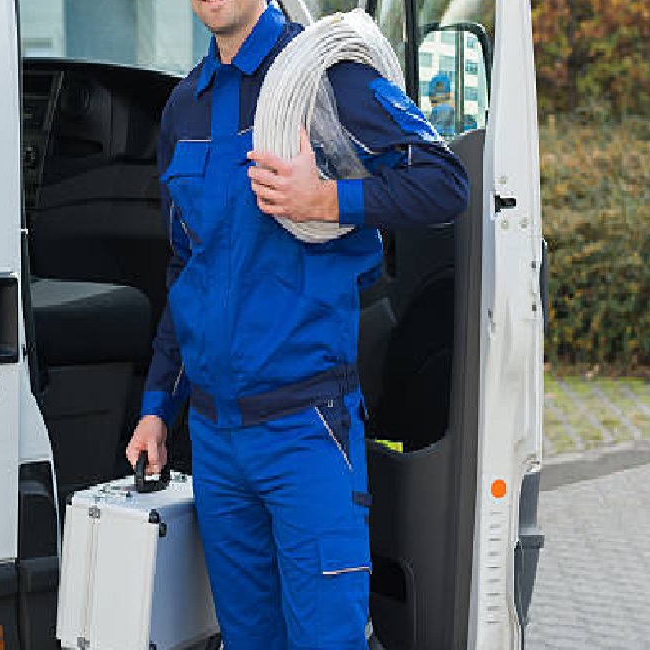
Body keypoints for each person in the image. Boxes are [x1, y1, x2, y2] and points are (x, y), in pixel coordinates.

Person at [126, 2, 469, 648]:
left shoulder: (326, 80)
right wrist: (156, 407)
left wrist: (327, 199)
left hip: (305, 430)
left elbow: (445, 182)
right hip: (216, 441)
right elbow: (189, 269)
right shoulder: (183, 108)